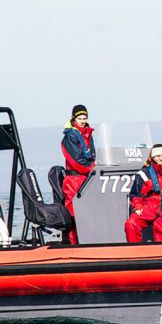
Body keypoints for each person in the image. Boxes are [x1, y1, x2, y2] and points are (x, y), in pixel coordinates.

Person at [124, 144, 162, 243]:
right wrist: (138, 206)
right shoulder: (143, 174)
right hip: (149, 207)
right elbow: (135, 194)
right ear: (152, 157)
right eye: (158, 156)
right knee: (131, 224)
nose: (161, 158)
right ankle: (134, 252)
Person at [61, 104, 96, 244]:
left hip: (87, 179)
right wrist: (92, 168)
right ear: (74, 118)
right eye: (79, 118)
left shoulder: (88, 134)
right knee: (74, 215)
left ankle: (86, 242)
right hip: (73, 180)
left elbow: (92, 155)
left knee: (87, 214)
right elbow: (77, 161)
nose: (82, 120)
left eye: (84, 118)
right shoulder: (70, 136)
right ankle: (73, 245)